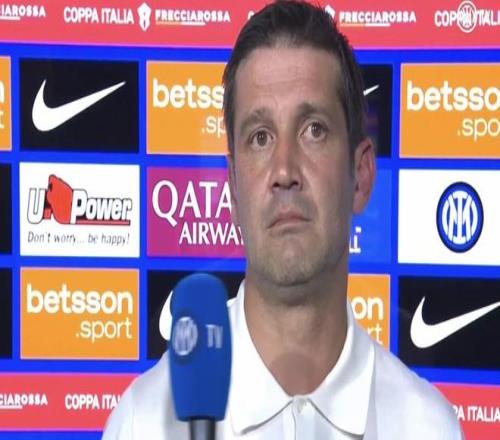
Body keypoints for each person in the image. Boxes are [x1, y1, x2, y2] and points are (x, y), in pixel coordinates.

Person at [102, 1, 463, 438]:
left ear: (361, 175)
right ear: (233, 189)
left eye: (314, 130)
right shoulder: (145, 422)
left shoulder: (426, 427)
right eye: (260, 137)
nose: (284, 170)